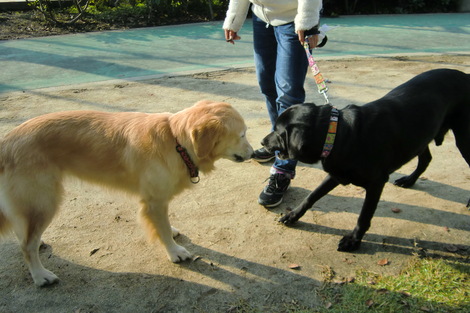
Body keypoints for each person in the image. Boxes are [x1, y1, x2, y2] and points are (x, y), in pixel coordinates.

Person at [223, 0, 325, 207]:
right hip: (262, 19)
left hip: (293, 18)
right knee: (267, 85)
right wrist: (233, 21)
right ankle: (277, 141)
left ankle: (283, 170)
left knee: (289, 95)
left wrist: (309, 24)